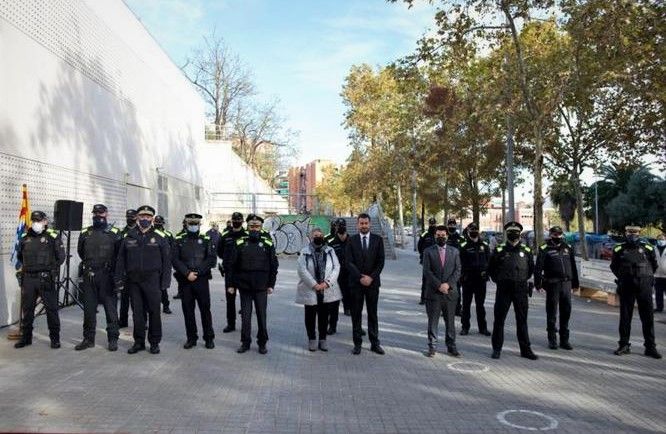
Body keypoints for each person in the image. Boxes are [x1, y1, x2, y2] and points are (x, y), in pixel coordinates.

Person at [115, 205, 171, 354]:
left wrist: (165, 282)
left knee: (154, 312)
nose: (144, 219)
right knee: (137, 313)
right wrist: (118, 280)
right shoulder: (130, 236)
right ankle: (138, 342)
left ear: (152, 218)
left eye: (148, 216)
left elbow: (167, 261)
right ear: (137, 218)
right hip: (134, 281)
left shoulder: (160, 237)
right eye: (142, 216)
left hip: (153, 280)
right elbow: (121, 259)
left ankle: (154, 342)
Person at [226, 215, 278, 354]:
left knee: (261, 316)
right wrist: (231, 284)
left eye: (257, 226)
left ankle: (262, 343)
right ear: (247, 227)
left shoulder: (267, 243)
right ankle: (245, 342)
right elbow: (232, 265)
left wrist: (271, 284)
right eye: (251, 226)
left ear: (261, 228)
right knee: (246, 317)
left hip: (261, 287)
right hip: (244, 287)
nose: (254, 229)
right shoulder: (240, 242)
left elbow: (274, 265)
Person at [14, 211, 65, 349]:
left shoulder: (53, 236)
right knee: (28, 310)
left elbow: (61, 257)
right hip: (29, 278)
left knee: (51, 310)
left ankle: (55, 339)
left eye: (39, 220)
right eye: (34, 220)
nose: (36, 222)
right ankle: (26, 338)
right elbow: (20, 257)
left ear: (45, 221)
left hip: (45, 278)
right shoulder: (25, 237)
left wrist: (50, 270)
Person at [75, 204, 121, 351]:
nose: (98, 216)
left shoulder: (115, 233)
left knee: (110, 310)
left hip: (107, 276)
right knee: (88, 309)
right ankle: (88, 339)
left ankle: (113, 339)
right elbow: (81, 252)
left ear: (106, 214)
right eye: (95, 213)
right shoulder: (85, 232)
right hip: (90, 275)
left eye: (101, 213)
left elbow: (119, 256)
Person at [488, 221, 537, 360]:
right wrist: (500, 280)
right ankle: (496, 349)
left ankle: (525, 349)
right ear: (507, 233)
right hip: (503, 289)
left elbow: (530, 269)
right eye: (511, 231)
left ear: (520, 233)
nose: (513, 233)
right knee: (499, 320)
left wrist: (521, 280)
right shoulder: (499, 250)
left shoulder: (526, 251)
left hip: (520, 289)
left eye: (516, 231)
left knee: (522, 320)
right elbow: (491, 269)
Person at [610, 225, 661, 359]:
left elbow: (654, 265)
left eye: (635, 232)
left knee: (648, 317)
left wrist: (644, 277)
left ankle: (650, 347)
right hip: (626, 286)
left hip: (644, 286)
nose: (632, 234)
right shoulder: (619, 248)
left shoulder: (648, 247)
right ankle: (624, 345)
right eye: (630, 232)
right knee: (625, 317)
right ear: (626, 232)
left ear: (639, 233)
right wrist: (625, 277)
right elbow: (613, 266)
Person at [172, 213, 217, 349]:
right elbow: (174, 259)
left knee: (205, 310)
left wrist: (198, 272)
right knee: (188, 310)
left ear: (199, 224)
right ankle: (191, 338)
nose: (193, 226)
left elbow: (211, 259)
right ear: (186, 224)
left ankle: (209, 338)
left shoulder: (206, 239)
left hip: (201, 280)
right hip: (185, 281)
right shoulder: (179, 239)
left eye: (195, 223)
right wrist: (187, 273)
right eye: (190, 223)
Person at [296, 227, 342, 351]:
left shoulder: (330, 250)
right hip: (310, 289)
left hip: (326, 289)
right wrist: (314, 285)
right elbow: (302, 269)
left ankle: (323, 339)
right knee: (310, 316)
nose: (318, 237)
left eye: (320, 235)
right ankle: (312, 339)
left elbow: (336, 267)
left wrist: (326, 283)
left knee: (324, 315)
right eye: (315, 235)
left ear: (323, 236)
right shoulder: (305, 251)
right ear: (311, 237)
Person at [346, 213, 385, 355]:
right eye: (361, 223)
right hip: (356, 284)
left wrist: (371, 277)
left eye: (366, 223)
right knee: (356, 314)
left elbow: (381, 262)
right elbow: (348, 262)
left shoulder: (378, 240)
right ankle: (357, 344)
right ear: (357, 225)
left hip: (373, 284)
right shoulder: (352, 240)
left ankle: (375, 343)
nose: (363, 226)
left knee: (372, 314)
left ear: (370, 224)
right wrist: (360, 277)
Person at [534, 226, 579, 350]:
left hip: (566, 284)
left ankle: (564, 340)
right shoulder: (544, 248)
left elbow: (573, 266)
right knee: (552, 312)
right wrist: (538, 284)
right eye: (555, 234)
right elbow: (538, 267)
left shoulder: (567, 247)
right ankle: (552, 339)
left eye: (559, 234)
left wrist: (575, 284)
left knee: (566, 312)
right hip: (552, 284)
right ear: (551, 235)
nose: (557, 236)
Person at [422, 226, 462, 357]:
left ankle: (451, 346)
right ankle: (432, 347)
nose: (441, 237)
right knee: (433, 321)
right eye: (438, 235)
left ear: (447, 236)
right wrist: (439, 285)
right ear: (435, 236)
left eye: (443, 235)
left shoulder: (455, 251)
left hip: (450, 293)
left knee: (450, 321)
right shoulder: (428, 251)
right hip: (433, 293)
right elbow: (427, 271)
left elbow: (457, 270)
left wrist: (448, 285)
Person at [458, 222, 491, 336]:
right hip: (468, 279)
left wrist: (487, 273)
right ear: (468, 231)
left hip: (480, 280)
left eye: (476, 229)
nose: (474, 231)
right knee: (466, 305)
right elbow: (459, 263)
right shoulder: (463, 246)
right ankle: (465, 327)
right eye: (472, 229)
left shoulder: (485, 245)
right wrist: (461, 276)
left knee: (480, 305)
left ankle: (483, 328)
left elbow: (489, 261)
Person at [218, 211, 247, 333]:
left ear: (242, 221)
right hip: (230, 273)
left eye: (238, 220)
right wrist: (227, 262)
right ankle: (231, 324)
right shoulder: (226, 235)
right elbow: (219, 251)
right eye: (234, 220)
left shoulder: (247, 235)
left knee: (245, 300)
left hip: (243, 272)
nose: (236, 222)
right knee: (230, 300)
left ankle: (245, 324)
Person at [327, 217, 352, 331]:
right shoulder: (331, 242)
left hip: (350, 275)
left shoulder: (352, 241)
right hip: (336, 276)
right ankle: (332, 326)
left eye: (342, 225)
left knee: (353, 302)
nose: (341, 228)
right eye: (338, 226)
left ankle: (357, 326)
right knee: (334, 303)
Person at [118, 209, 137, 327]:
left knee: (137, 300)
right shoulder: (122, 232)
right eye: (128, 216)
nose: (129, 218)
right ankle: (123, 321)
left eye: (132, 216)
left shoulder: (140, 232)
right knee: (124, 298)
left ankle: (140, 321)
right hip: (125, 271)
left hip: (137, 270)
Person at [153, 215, 173, 314]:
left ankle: (166, 306)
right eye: (156, 223)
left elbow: (173, 249)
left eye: (159, 224)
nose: (157, 225)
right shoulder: (150, 233)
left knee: (163, 287)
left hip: (164, 264)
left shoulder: (168, 235)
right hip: (153, 264)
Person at [417, 218, 437, 305]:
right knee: (425, 280)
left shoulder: (437, 234)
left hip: (437, 261)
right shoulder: (425, 234)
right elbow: (419, 246)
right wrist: (423, 256)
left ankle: (435, 298)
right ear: (429, 224)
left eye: (433, 224)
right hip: (427, 260)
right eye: (431, 224)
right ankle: (423, 298)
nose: (432, 225)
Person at [446, 218, 464, 316]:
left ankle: (457, 309)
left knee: (456, 289)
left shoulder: (461, 239)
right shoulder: (445, 237)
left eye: (453, 224)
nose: (452, 226)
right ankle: (445, 309)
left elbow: (464, 255)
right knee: (445, 289)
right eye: (450, 224)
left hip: (457, 268)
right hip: (445, 268)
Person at [654, 232, 666, 313]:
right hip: (657, 275)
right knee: (658, 293)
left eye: (662, 239)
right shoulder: (653, 249)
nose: (661, 241)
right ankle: (659, 308)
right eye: (659, 239)